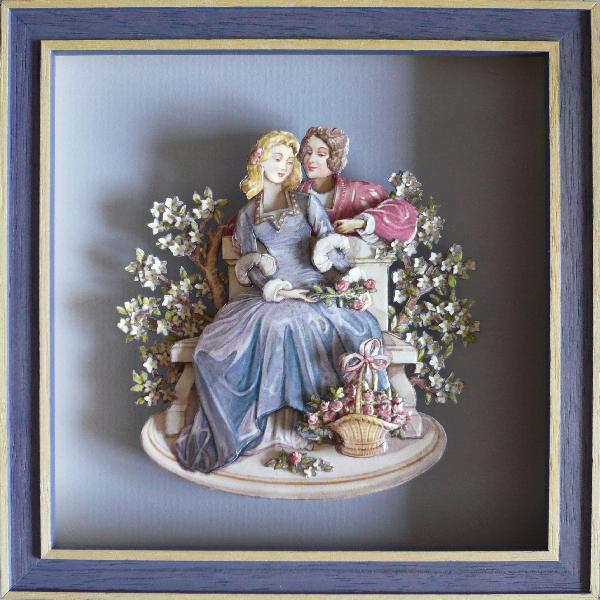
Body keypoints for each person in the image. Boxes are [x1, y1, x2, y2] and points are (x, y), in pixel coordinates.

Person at [175, 131, 386, 473]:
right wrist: (281, 291)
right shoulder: (247, 214)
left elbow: (329, 246)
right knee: (229, 341)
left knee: (314, 322)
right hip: (276, 291)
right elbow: (253, 267)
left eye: (289, 160)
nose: (284, 166)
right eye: (277, 158)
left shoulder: (305, 202)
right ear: (259, 162)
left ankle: (313, 421)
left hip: (313, 284)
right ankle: (270, 429)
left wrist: (350, 278)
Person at [297, 126, 418, 245]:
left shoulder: (360, 193)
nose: (311, 159)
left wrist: (360, 223)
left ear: (335, 158)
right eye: (308, 152)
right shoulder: (296, 193)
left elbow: (404, 215)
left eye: (321, 154)